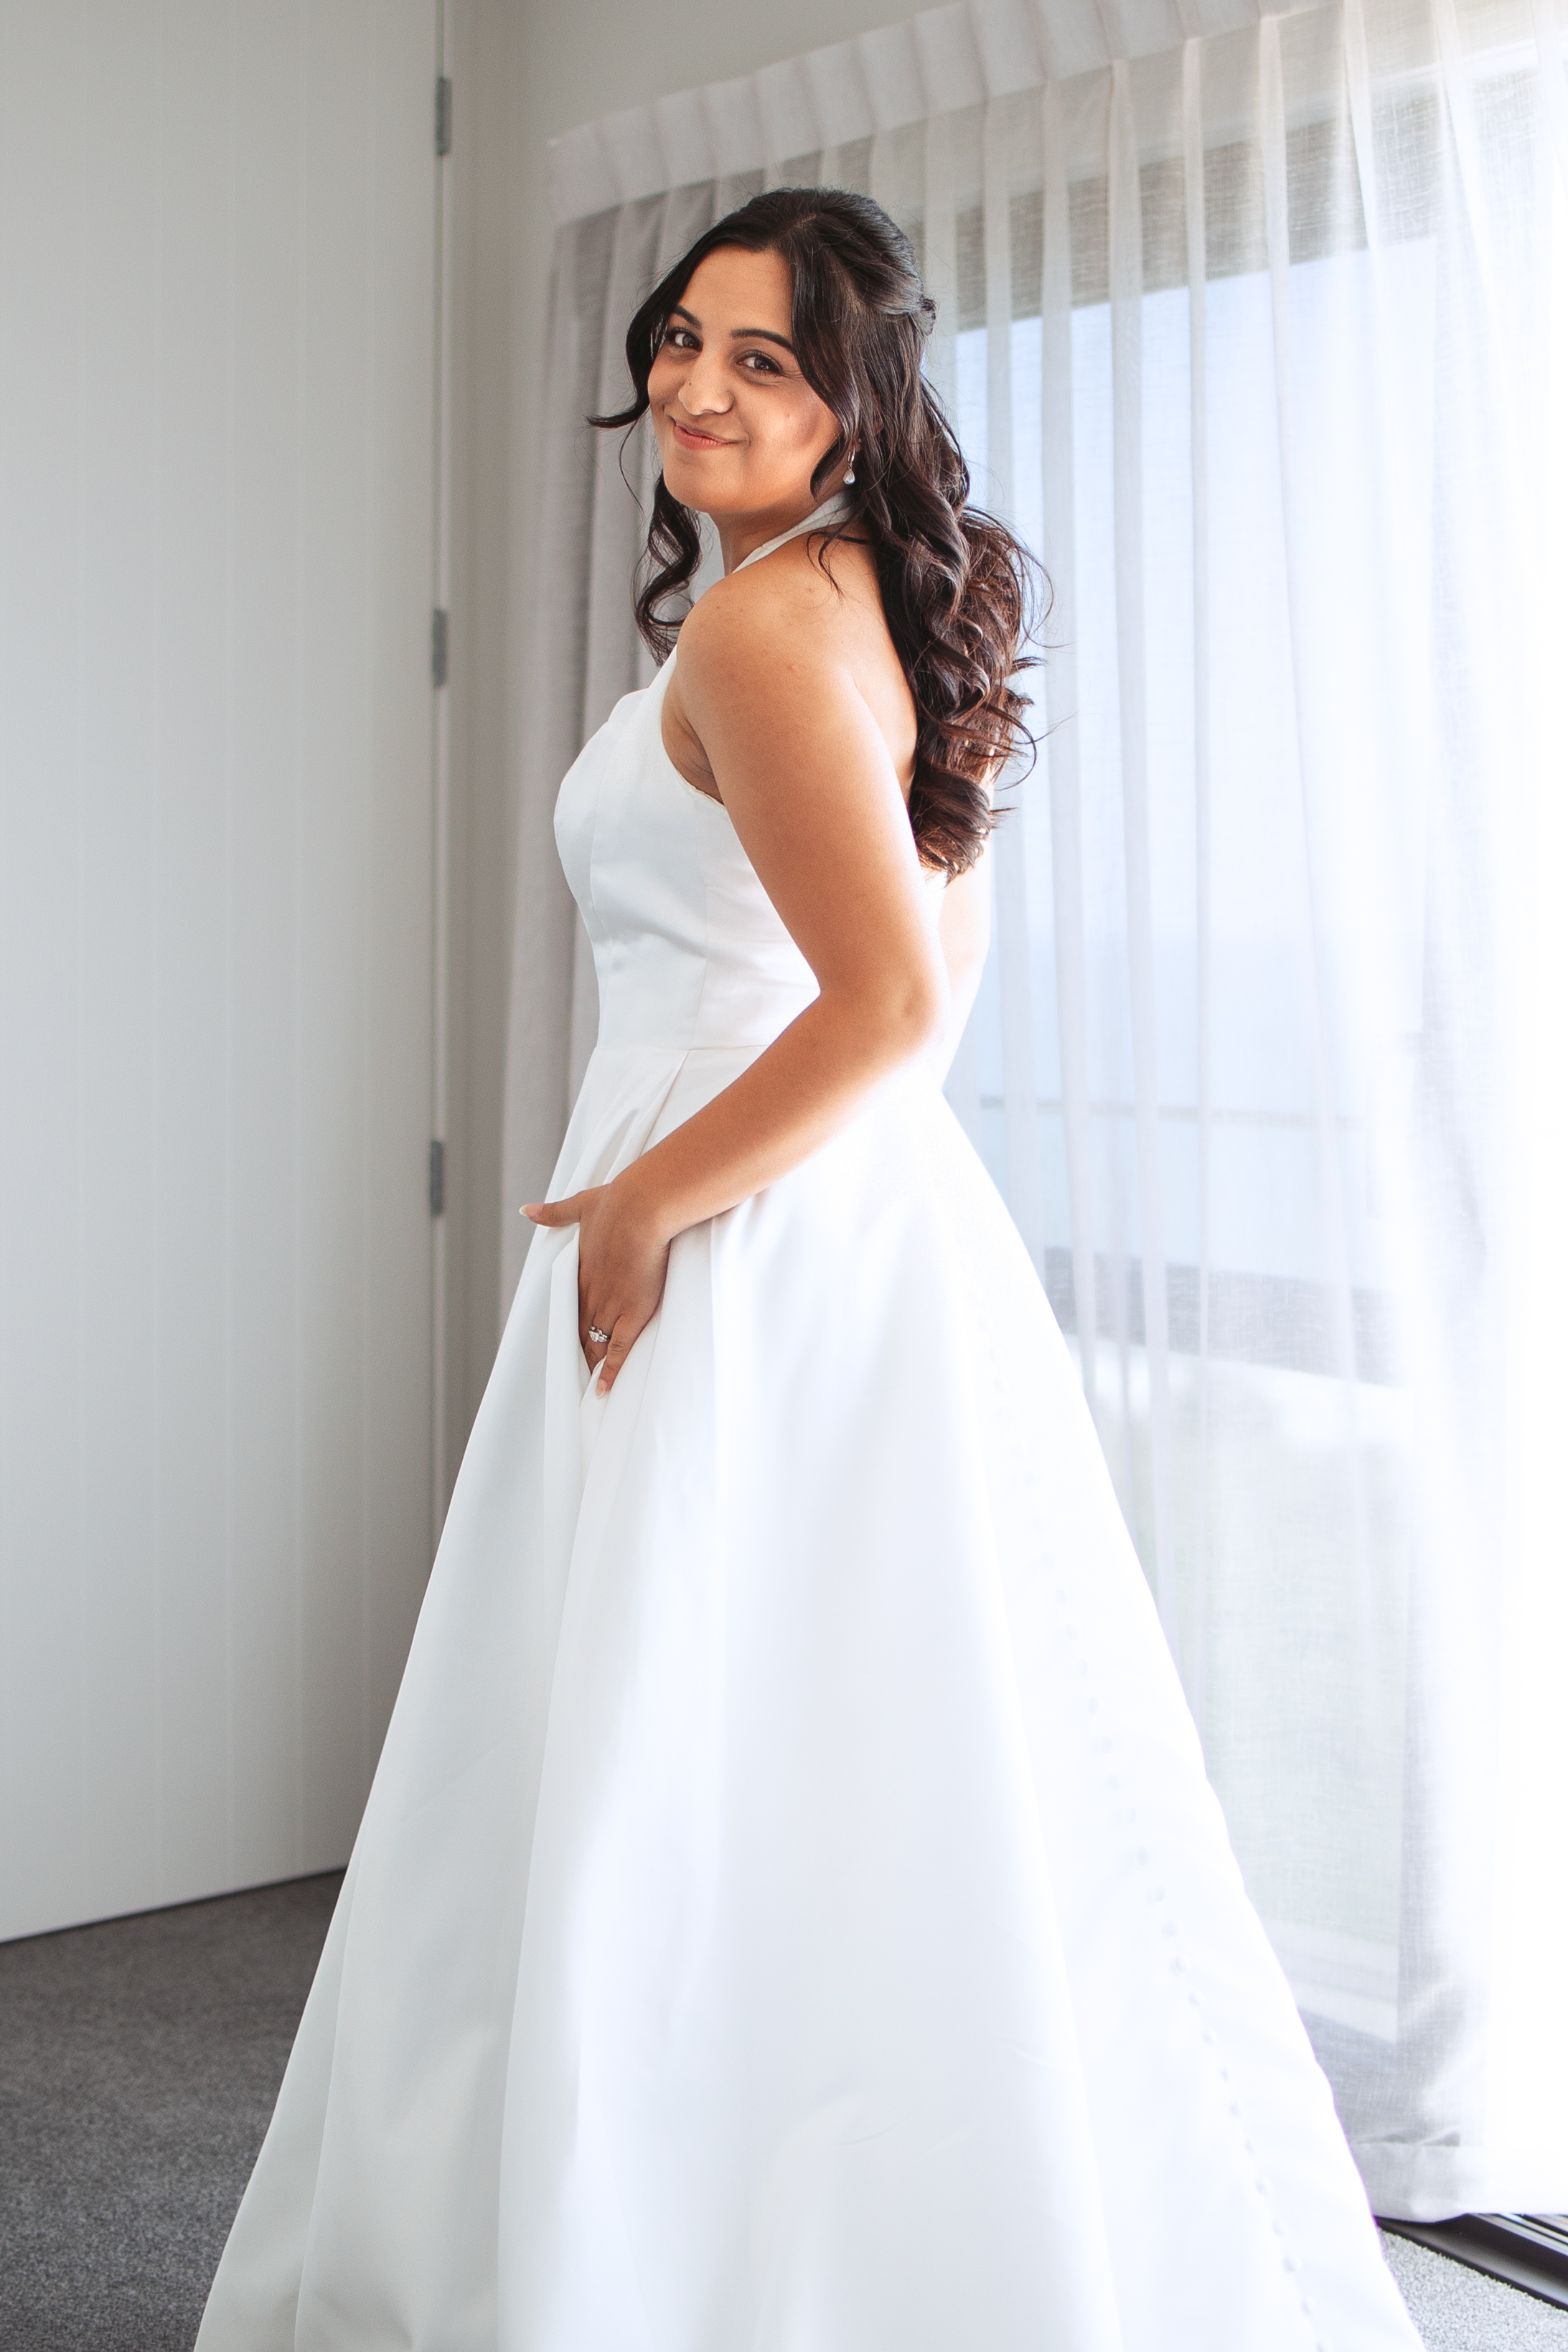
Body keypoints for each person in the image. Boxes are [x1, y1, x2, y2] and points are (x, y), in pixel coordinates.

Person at [196, 188, 1421, 2351]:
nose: (694, 382)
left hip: (738, 1224)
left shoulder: (766, 629)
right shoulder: (866, 603)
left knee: (677, 1745)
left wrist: (648, 1201)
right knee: (823, 1744)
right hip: (848, 1218)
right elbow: (927, 991)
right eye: (682, 338)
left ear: (852, 401)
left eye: (760, 357)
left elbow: (885, 1005)